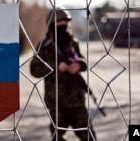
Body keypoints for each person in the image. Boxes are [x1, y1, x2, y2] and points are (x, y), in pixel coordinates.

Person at [30, 7, 97, 141]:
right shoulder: (43, 46)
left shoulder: (73, 42)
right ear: (51, 24)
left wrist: (79, 64)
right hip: (56, 101)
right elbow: (34, 70)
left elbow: (82, 59)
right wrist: (55, 67)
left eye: (64, 21)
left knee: (89, 136)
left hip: (77, 99)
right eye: (58, 22)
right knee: (58, 137)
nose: (62, 24)